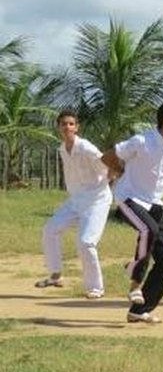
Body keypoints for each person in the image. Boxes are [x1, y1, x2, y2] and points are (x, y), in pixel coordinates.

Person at [101, 102, 163, 323]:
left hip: (155, 204)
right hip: (129, 198)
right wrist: (121, 172)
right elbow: (108, 156)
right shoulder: (141, 141)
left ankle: (139, 311)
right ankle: (134, 282)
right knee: (147, 229)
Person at [37, 109, 112, 299]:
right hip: (75, 200)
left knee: (86, 242)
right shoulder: (62, 149)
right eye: (63, 124)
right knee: (49, 230)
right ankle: (55, 275)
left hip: (97, 200)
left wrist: (105, 188)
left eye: (71, 124)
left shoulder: (86, 147)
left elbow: (108, 166)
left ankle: (96, 288)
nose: (67, 127)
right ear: (58, 128)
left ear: (77, 127)